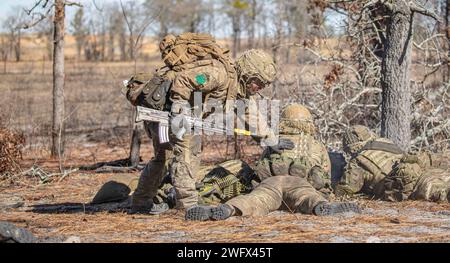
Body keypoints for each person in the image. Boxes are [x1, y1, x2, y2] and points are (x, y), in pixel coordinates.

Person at [125, 33, 293, 213]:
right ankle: (188, 207)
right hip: (167, 114)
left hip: (174, 116)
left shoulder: (236, 86)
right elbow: (186, 80)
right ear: (248, 73)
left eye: (263, 84)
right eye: (258, 82)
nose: (260, 87)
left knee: (164, 158)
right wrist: (180, 107)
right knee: (187, 153)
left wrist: (270, 139)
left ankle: (141, 203)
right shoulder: (217, 74)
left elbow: (250, 114)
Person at [185, 176, 361, 221]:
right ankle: (320, 206)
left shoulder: (274, 143)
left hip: (270, 183)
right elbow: (324, 176)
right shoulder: (314, 145)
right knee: (307, 196)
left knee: (256, 199)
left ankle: (229, 209)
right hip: (299, 182)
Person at [334, 125, 404, 197]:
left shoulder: (357, 160)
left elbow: (344, 191)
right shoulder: (387, 142)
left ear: (351, 148)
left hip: (397, 189)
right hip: (411, 176)